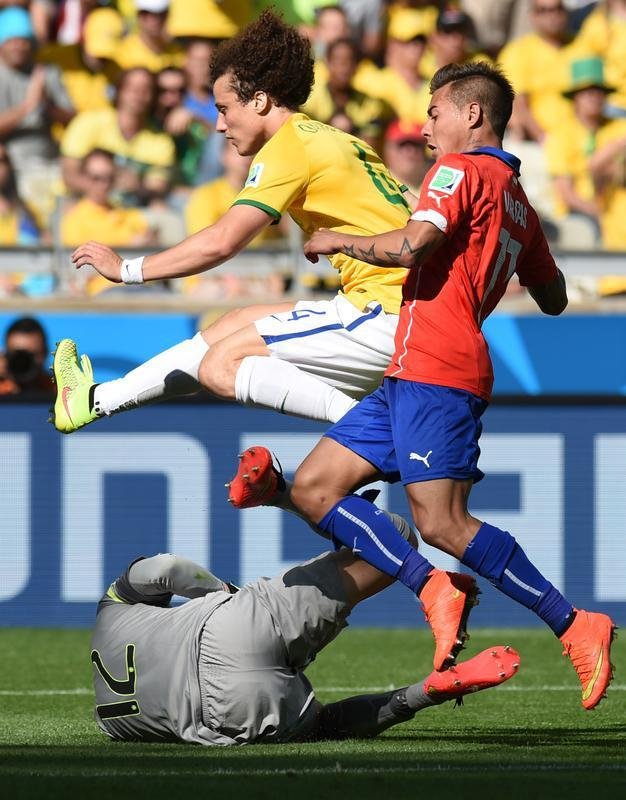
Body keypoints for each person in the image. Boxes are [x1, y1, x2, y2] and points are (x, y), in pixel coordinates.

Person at [229, 61, 616, 710]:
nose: (429, 128)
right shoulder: (519, 200)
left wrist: (339, 239)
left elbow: (411, 246)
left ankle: (574, 623)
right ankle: (434, 589)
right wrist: (496, 252)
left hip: (440, 369)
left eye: (435, 113)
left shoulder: (458, 171)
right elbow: (550, 297)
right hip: (411, 373)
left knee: (443, 524)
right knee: (319, 488)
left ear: (472, 114)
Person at [91, 541, 521, 745]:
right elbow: (167, 567)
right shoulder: (112, 608)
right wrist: (228, 593)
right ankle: (302, 506)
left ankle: (422, 694)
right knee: (390, 539)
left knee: (326, 726)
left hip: (231, 716)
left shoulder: (110, 724)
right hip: (228, 627)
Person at [0, 316, 54, 396]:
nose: (23, 362)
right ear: (5, 356)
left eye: (31, 355)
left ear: (45, 353)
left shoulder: (58, 391)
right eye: (17, 355)